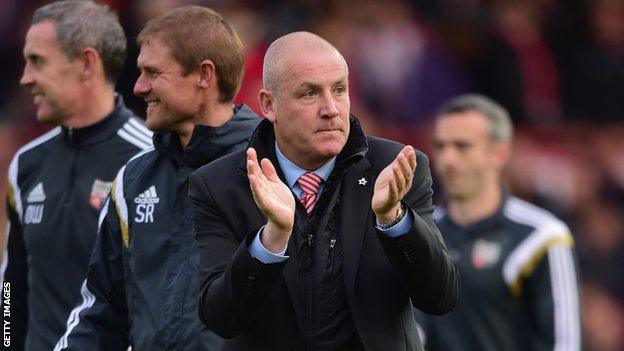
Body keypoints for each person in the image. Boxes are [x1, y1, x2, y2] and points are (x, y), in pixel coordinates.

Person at [189, 31, 459, 351]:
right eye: (309, 93)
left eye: (339, 90)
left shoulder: (397, 168)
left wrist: (393, 220)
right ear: (268, 105)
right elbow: (221, 318)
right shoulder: (221, 184)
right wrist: (271, 239)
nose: (331, 108)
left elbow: (440, 298)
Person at [54, 6, 259, 351]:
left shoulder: (271, 168)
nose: (138, 87)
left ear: (204, 75)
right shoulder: (134, 179)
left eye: (152, 72)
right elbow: (103, 309)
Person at [0, 1, 152, 349]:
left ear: (86, 63)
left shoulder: (148, 159)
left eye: (37, 61)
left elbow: (155, 297)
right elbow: (11, 286)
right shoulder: (26, 163)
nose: (25, 78)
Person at [417, 94, 581, 350]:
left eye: (462, 146)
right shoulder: (419, 234)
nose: (447, 160)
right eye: (440, 146)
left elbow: (564, 344)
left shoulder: (542, 237)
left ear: (499, 153)